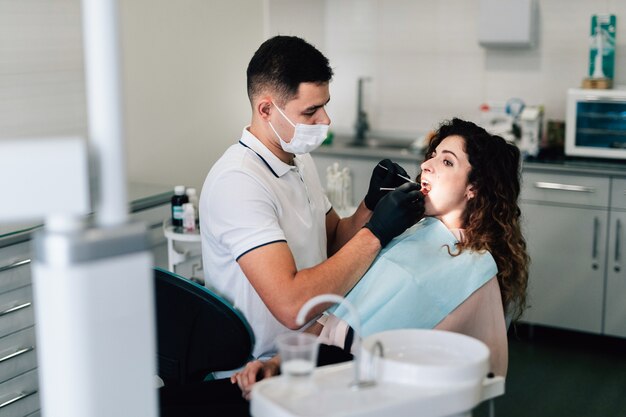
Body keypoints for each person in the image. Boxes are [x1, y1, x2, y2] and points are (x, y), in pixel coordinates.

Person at [231, 118, 530, 398]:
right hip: (320, 371)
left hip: (358, 390)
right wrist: (277, 362)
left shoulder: (475, 271)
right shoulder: (409, 233)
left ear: (473, 189)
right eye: (433, 155)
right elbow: (334, 318)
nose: (426, 165)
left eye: (447, 161)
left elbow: (480, 372)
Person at [199, 35, 423, 370]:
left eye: (325, 105)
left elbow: (332, 239)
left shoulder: (297, 159)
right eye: (311, 111)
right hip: (259, 370)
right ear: (266, 109)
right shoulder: (239, 182)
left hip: (312, 344)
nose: (325, 120)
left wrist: (371, 204)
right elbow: (292, 307)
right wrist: (375, 233)